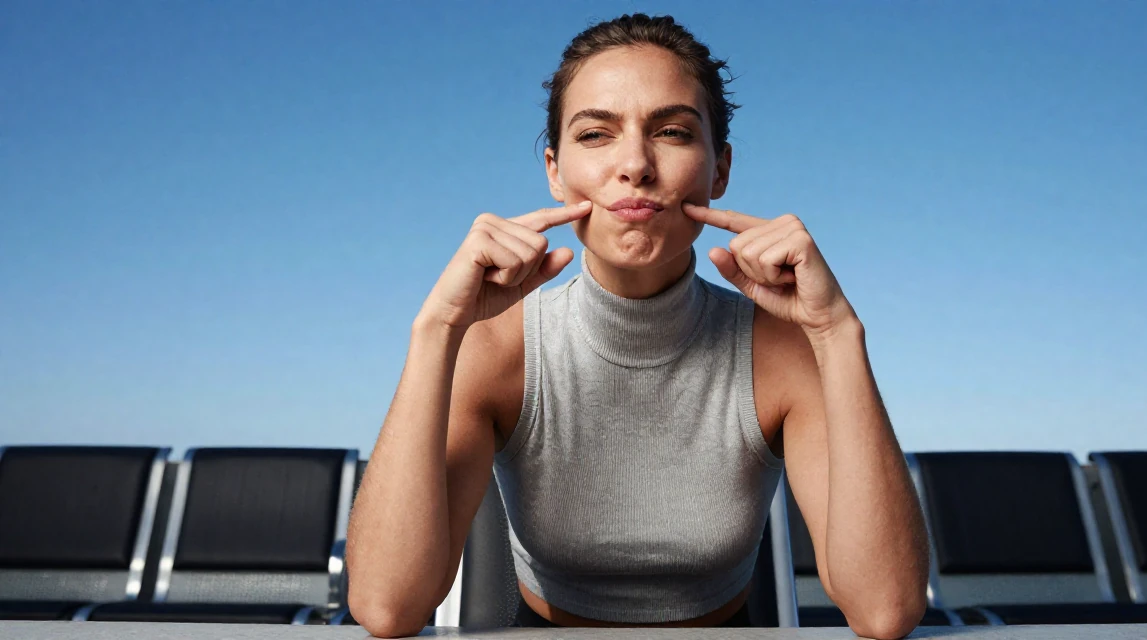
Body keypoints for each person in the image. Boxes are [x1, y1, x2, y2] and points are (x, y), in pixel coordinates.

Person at [346, 13, 928, 639]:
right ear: (554, 169)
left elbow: (885, 610)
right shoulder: (495, 345)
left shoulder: (782, 349)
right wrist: (436, 329)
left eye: (673, 132)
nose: (635, 165)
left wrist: (838, 333)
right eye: (596, 134)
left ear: (719, 168)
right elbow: (388, 608)